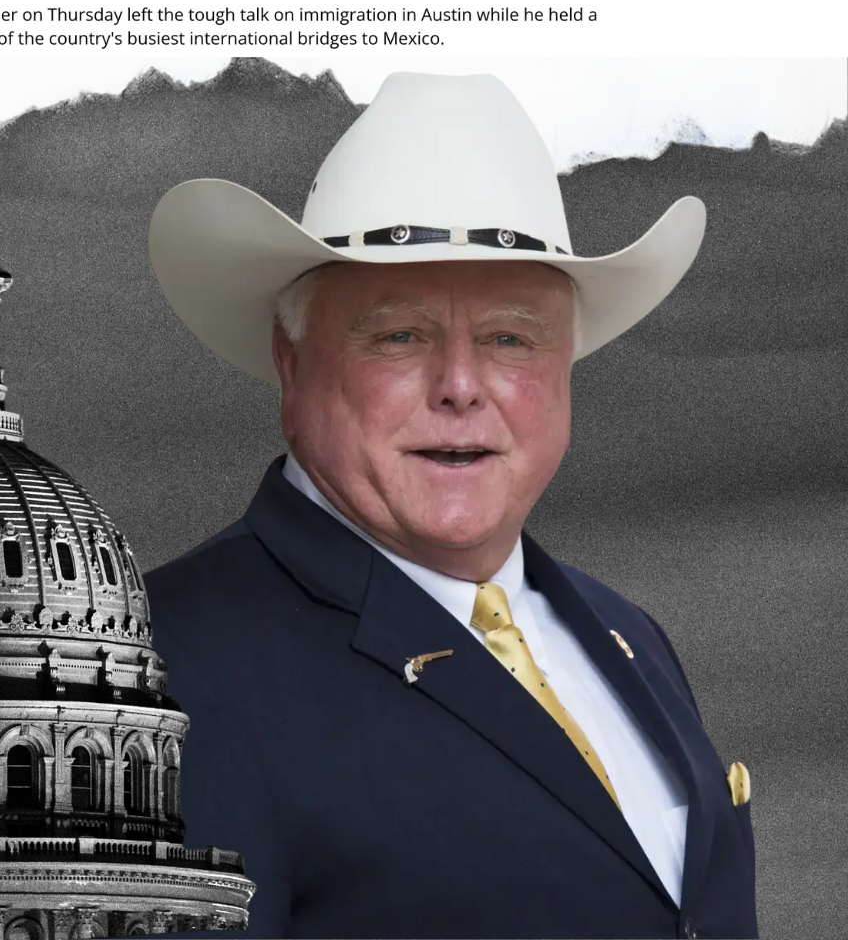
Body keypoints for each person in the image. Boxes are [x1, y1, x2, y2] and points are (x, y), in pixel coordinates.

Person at [143, 73, 757, 939]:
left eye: (510, 338)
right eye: (400, 335)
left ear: (565, 371)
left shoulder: (634, 639)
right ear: (291, 362)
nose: (461, 388)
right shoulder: (157, 668)